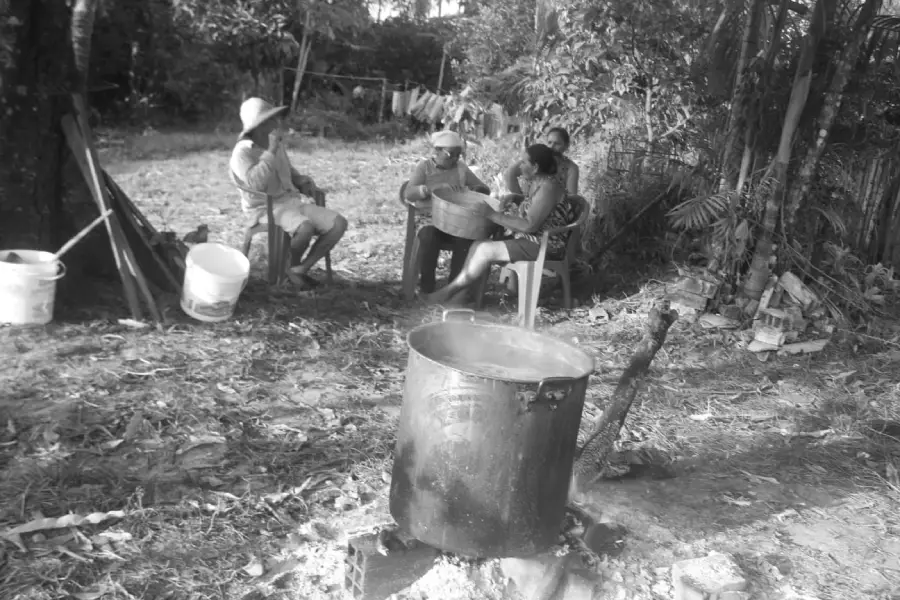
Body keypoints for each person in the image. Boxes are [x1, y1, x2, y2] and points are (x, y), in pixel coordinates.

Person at [424, 144, 573, 306]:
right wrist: (516, 198)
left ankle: (448, 293)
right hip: (530, 241)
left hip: (544, 246)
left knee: (484, 250)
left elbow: (530, 225)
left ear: (535, 167)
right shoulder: (538, 183)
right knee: (478, 245)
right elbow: (538, 209)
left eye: (524, 162)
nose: (520, 166)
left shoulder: (549, 187)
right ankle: (463, 297)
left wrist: (492, 214)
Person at [230, 97, 348, 289]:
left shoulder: (278, 146)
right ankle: (285, 272)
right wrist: (271, 151)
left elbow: (290, 174)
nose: (277, 124)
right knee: (305, 227)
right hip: (263, 208)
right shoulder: (242, 153)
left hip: (291, 202)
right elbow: (256, 183)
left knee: (338, 224)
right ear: (258, 126)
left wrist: (303, 182)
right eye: (271, 120)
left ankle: (298, 270)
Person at [405, 130, 491, 295]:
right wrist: (430, 189)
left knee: (465, 240)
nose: (454, 159)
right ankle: (427, 288)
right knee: (429, 238)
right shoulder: (425, 167)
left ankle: (453, 290)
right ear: (437, 151)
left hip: (455, 221)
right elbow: (408, 194)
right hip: (429, 219)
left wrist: (472, 189)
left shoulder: (461, 169)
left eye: (458, 155)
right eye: (450, 154)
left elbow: (484, 189)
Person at [503, 127, 579, 196]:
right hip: (530, 204)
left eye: (557, 144)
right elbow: (510, 173)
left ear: (566, 146)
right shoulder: (539, 157)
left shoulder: (571, 168)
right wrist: (520, 199)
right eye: (549, 142)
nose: (551, 147)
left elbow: (572, 197)